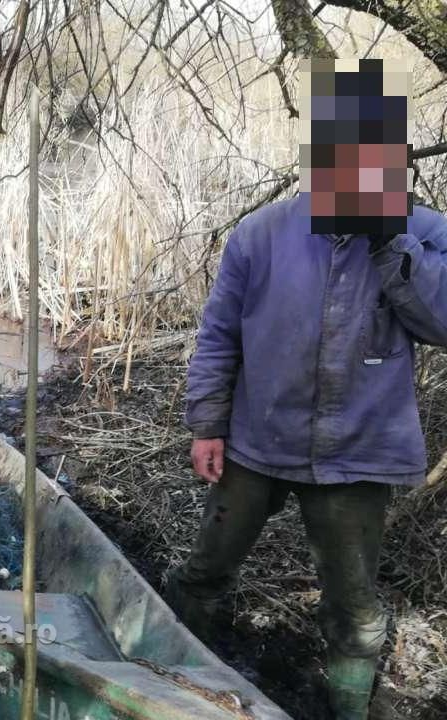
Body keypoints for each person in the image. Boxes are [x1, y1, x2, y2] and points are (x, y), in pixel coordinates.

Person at [165, 59, 447, 719]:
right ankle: (172, 671)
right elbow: (219, 336)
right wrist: (208, 425)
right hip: (256, 442)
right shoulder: (261, 233)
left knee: (354, 609)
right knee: (206, 569)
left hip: (358, 451)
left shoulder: (426, 232)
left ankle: (344, 705)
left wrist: (390, 241)